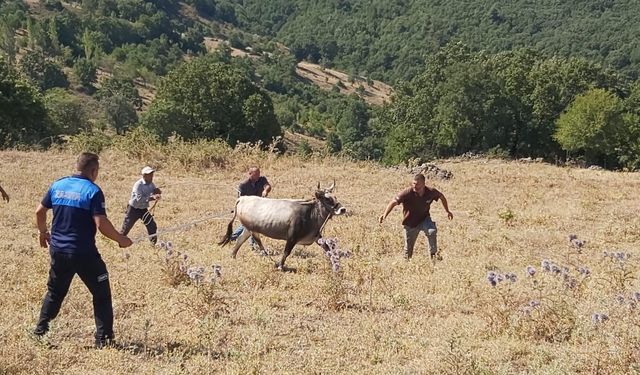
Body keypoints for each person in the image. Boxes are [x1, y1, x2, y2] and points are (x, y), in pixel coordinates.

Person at [34, 152, 132, 348]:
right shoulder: (92, 191)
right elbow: (101, 223)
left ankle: (40, 333)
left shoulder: (58, 185)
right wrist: (121, 239)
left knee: (55, 293)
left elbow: (39, 211)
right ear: (93, 170)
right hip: (83, 253)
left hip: (58, 250)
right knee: (101, 294)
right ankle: (103, 341)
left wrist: (43, 232)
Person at [379, 173, 453, 260]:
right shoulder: (407, 192)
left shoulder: (431, 191)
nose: (415, 186)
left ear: (423, 184)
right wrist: (384, 215)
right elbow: (393, 202)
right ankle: (406, 264)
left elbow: (442, 197)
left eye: (417, 184)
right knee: (408, 252)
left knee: (432, 231)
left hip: (424, 219)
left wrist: (447, 211)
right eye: (413, 183)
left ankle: (434, 255)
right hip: (410, 223)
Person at [230, 166, 271, 246]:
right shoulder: (243, 185)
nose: (258, 176)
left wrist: (266, 190)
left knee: (248, 225)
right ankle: (253, 244)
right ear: (250, 174)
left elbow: (267, 186)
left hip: (258, 207)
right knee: (251, 225)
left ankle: (233, 237)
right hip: (248, 208)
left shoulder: (262, 179)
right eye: (255, 174)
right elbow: (240, 199)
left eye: (258, 174)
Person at [120, 166, 162, 245]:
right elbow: (139, 199)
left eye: (152, 174)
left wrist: (157, 192)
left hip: (143, 209)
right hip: (133, 209)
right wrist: (152, 197)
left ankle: (153, 244)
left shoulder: (151, 184)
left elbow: (154, 192)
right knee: (126, 227)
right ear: (144, 176)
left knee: (152, 225)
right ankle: (120, 242)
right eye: (149, 175)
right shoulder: (138, 185)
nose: (151, 176)